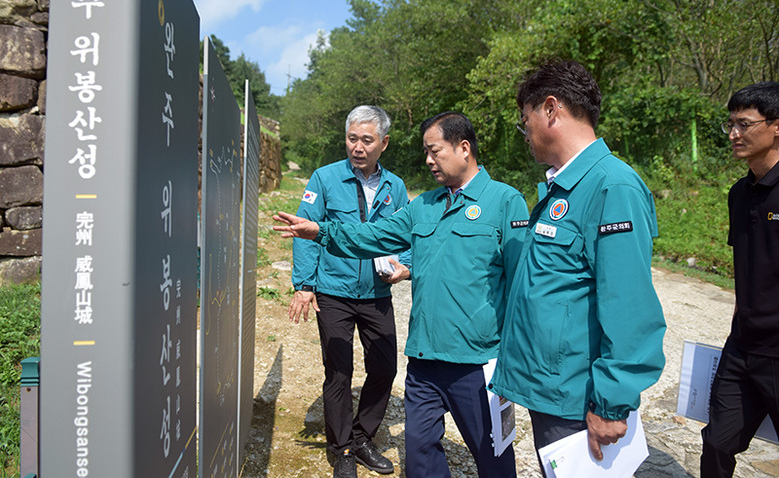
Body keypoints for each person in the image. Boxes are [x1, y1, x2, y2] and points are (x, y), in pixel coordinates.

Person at [275, 111, 528, 478]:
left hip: (477, 363)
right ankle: (346, 445)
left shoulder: (505, 201)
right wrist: (321, 232)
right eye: (425, 152)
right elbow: (372, 236)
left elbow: (522, 283)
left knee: (493, 459)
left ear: (464, 148)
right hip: (423, 362)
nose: (428, 160)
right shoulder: (423, 205)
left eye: (434, 151)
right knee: (420, 459)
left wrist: (516, 358)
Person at [488, 60, 667, 475]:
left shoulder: (612, 187)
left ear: (551, 109)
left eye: (525, 120)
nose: (525, 134)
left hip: (578, 401)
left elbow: (629, 308)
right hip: (551, 392)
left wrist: (611, 403)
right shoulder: (562, 188)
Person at [288, 105, 411, 478]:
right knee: (339, 372)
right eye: (352, 138)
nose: (358, 147)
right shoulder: (324, 179)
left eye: (367, 140)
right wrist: (304, 285)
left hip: (377, 293)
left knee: (385, 367)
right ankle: (341, 448)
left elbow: (407, 234)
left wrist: (405, 266)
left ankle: (362, 438)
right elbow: (305, 232)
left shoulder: (395, 187)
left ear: (384, 143)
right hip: (333, 292)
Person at [700, 81, 779, 477]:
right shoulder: (739, 193)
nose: (733, 134)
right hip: (742, 348)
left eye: (744, 124)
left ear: (776, 127)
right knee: (717, 442)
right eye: (730, 124)